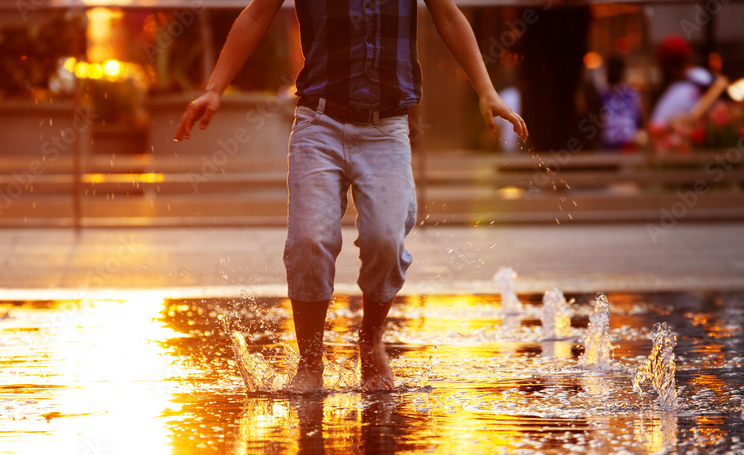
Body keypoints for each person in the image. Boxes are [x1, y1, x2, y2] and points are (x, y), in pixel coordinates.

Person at [175, 0, 528, 392]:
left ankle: (370, 343)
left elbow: (448, 15)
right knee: (310, 241)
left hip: (387, 127)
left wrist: (486, 90)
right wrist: (214, 88)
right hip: (318, 122)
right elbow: (257, 14)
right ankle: (310, 363)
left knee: (386, 239)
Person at [599, 55, 643, 150]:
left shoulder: (631, 95)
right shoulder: (602, 95)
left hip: (627, 145)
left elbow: (640, 119)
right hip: (610, 145)